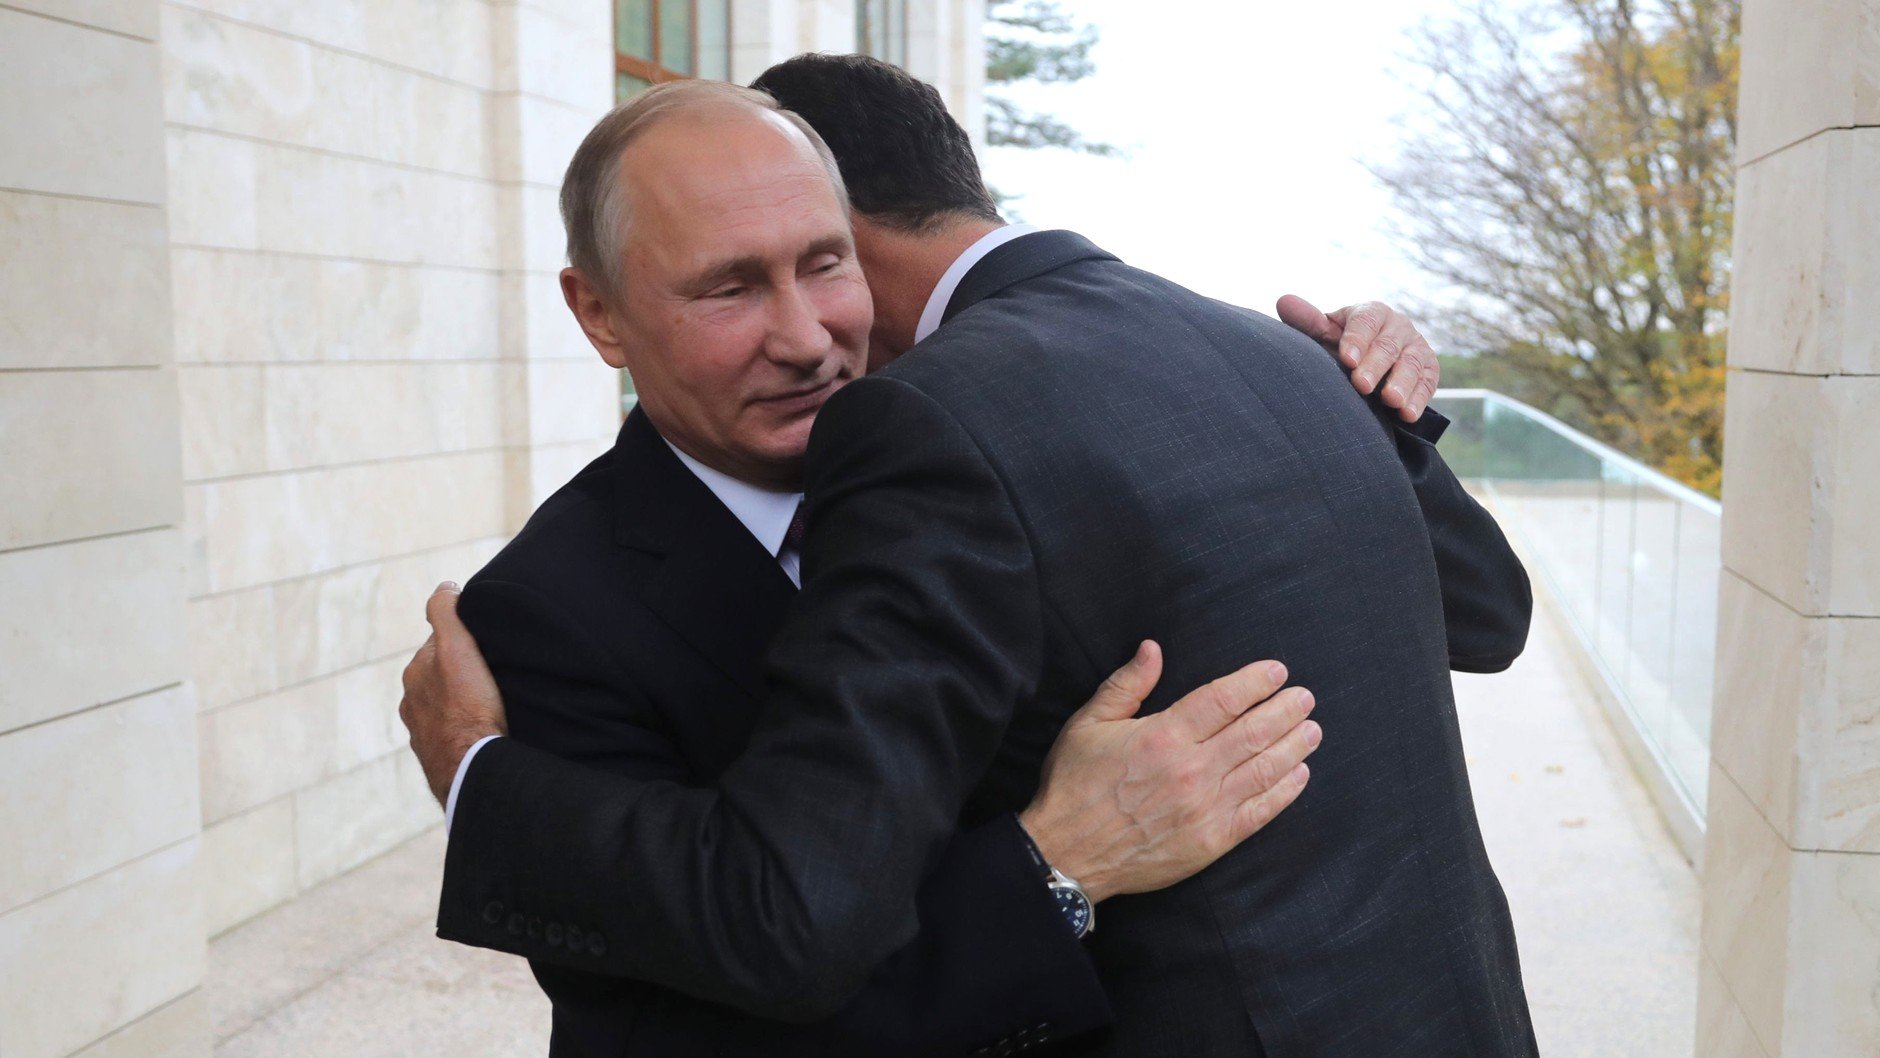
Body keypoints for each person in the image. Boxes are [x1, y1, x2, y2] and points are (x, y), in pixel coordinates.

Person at [405, 58, 1534, 1057]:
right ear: (598, 315)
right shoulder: (545, 616)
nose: (805, 337)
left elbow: (1477, 612)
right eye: (729, 286)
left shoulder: (985, 439)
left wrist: (1371, 408)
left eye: (825, 262)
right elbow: (663, 1029)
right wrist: (1057, 862)